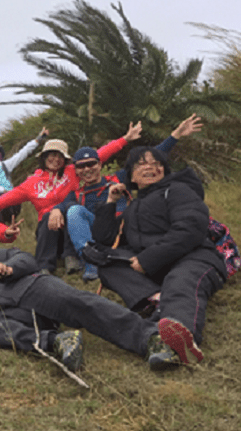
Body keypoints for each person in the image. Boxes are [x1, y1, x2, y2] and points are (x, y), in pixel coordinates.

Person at [0, 231, 179, 372]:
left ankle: (151, 340)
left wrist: (11, 269)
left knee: (80, 302)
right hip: (12, 319)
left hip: (31, 288)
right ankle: (57, 341)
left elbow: (24, 256)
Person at [91, 146, 227, 366]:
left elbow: (190, 228)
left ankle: (176, 340)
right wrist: (110, 202)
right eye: (141, 164)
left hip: (194, 258)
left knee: (180, 281)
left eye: (156, 163)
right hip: (157, 268)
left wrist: (147, 260)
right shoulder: (133, 207)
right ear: (131, 175)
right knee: (108, 264)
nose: (150, 167)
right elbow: (105, 237)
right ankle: (156, 300)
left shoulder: (178, 190)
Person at [49, 115, 203, 282]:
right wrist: (56, 210)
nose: (87, 169)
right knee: (73, 210)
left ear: (100, 165)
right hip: (96, 233)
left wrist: (176, 135)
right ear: (76, 170)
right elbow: (63, 204)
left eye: (91, 164)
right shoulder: (76, 193)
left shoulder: (118, 179)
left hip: (121, 229)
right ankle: (91, 262)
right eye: (81, 166)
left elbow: (147, 159)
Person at [0, 123, 142, 273]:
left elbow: (99, 155)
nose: (55, 159)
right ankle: (44, 265)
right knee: (47, 215)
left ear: (65, 159)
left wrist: (125, 138)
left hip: (73, 228)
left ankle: (71, 257)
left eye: (60, 156)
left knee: (71, 208)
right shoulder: (31, 183)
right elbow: (3, 201)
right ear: (43, 157)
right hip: (48, 232)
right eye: (51, 155)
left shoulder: (73, 171)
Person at [0, 127, 48, 224]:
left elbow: (22, 154)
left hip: (10, 199)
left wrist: (38, 139)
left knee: (14, 205)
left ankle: (10, 223)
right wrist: (3, 190)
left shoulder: (4, 165)